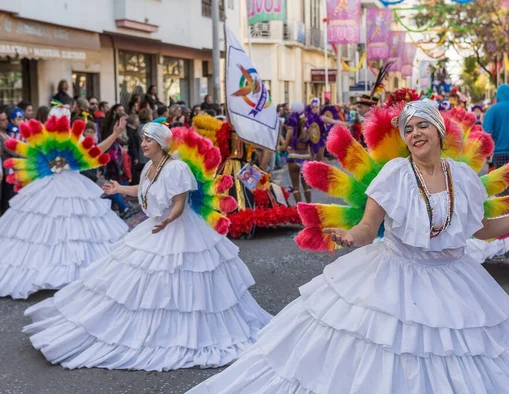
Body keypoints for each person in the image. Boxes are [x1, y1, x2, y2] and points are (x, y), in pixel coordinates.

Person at [177, 99, 509, 394]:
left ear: (438, 130)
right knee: (386, 361)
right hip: (397, 276)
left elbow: (481, 230)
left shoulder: (464, 177)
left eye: (422, 126)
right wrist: (351, 236)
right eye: (408, 129)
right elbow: (368, 228)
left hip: (455, 281)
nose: (415, 134)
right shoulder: (395, 174)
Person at [23, 122, 271, 370]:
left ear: (161, 143)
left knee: (182, 282)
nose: (142, 145)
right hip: (156, 225)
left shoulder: (176, 169)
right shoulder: (148, 168)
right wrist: (119, 188)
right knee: (136, 282)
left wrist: (168, 220)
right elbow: (142, 191)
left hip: (180, 230)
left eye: (147, 140)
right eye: (142, 140)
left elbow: (179, 202)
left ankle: (180, 334)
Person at [0, 109, 129, 299]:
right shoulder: (50, 142)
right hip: (56, 187)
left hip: (68, 186)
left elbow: (94, 152)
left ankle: (62, 271)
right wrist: (114, 135)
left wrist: (115, 134)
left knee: (61, 231)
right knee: (51, 231)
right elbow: (91, 153)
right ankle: (53, 272)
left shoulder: (62, 141)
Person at [279, 101, 312, 204]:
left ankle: (301, 211)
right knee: (306, 186)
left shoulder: (291, 129)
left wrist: (279, 141)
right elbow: (313, 144)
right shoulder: (308, 127)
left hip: (293, 158)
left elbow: (284, 147)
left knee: (296, 187)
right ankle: (309, 207)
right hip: (306, 157)